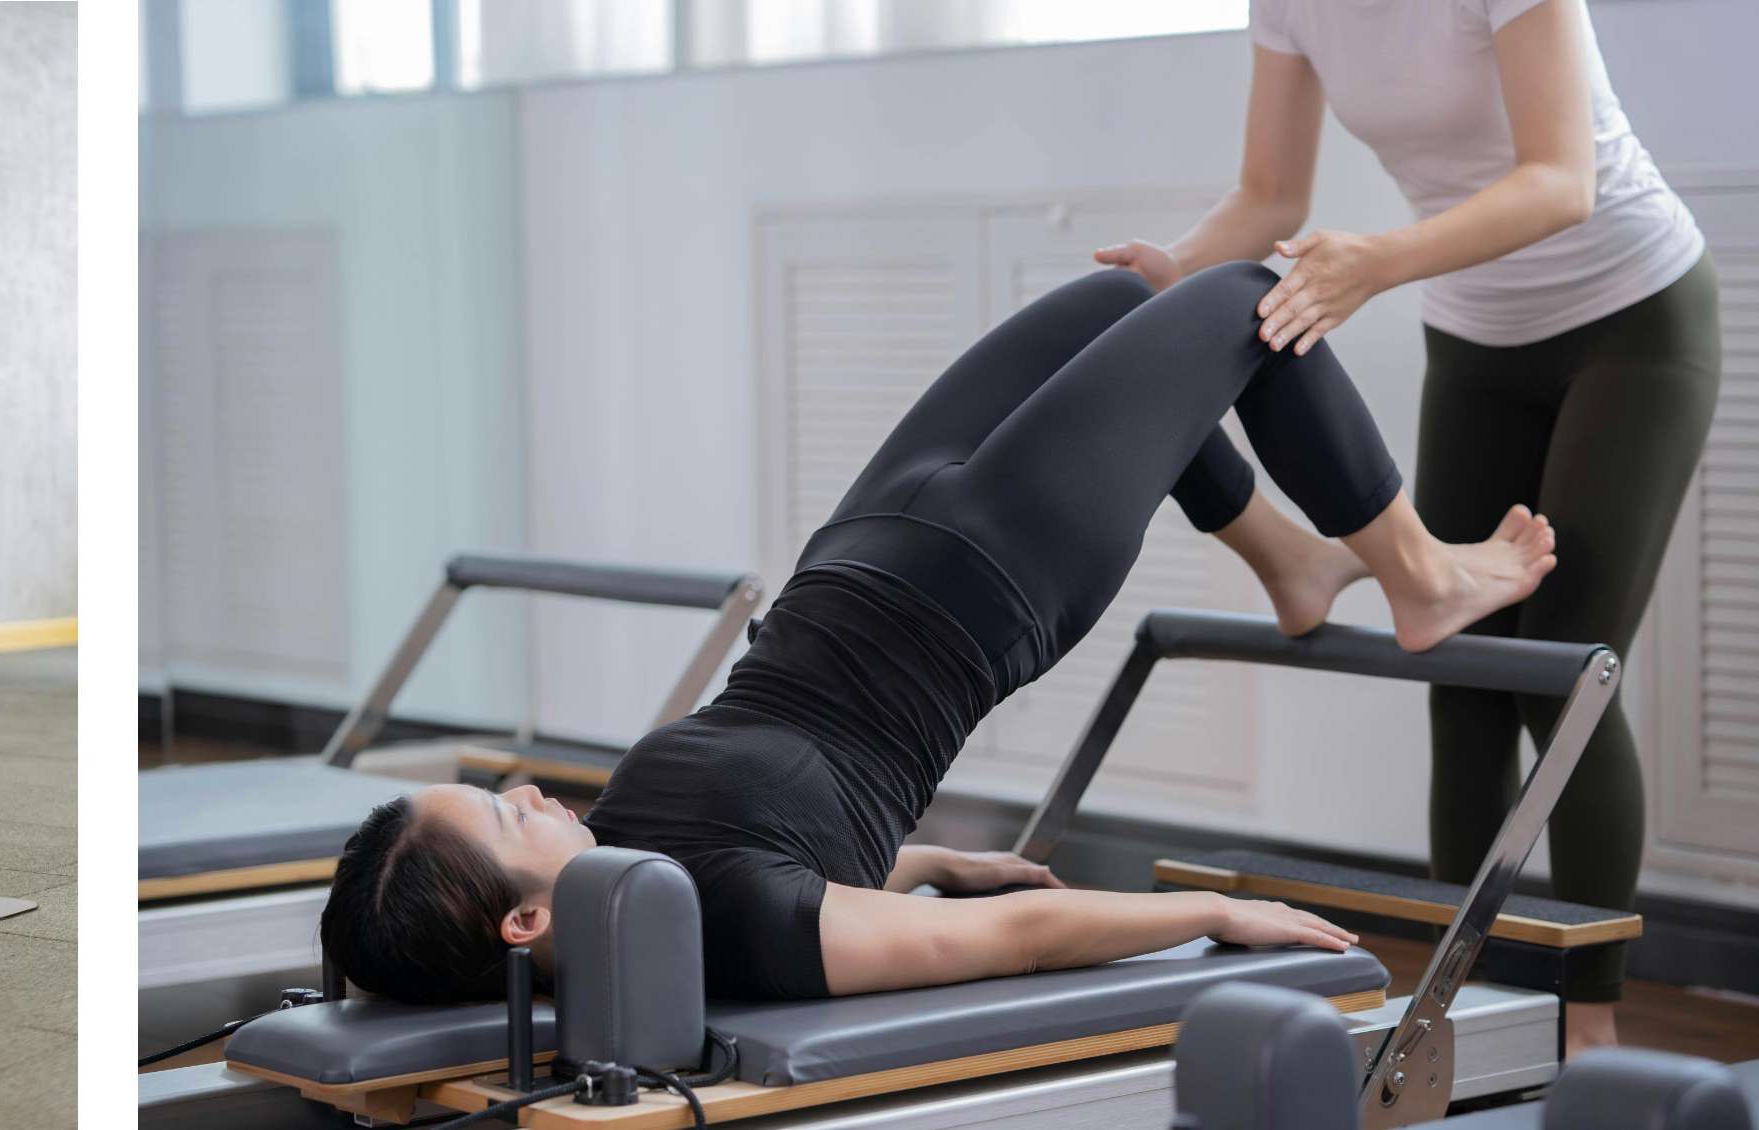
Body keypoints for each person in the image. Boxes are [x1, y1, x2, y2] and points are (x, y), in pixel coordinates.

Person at [321, 263, 1558, 1005]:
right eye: (502, 816)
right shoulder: (734, 927)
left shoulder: (636, 863)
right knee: (1258, 301)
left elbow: (825, 857)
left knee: (1127, 296)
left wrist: (920, 863)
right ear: (522, 923)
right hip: (997, 578)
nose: (528, 788)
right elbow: (1005, 936)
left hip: (873, 533)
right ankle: (1417, 579)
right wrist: (1212, 915)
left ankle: (1293, 563)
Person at [1091, 0, 1717, 1051]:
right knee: (1459, 670)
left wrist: (1377, 260)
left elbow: (1562, 179)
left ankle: (1589, 1024)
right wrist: (1177, 267)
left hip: (1633, 318)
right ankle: (1470, 1011)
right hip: (1476, 341)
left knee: (1564, 673)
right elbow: (1269, 194)